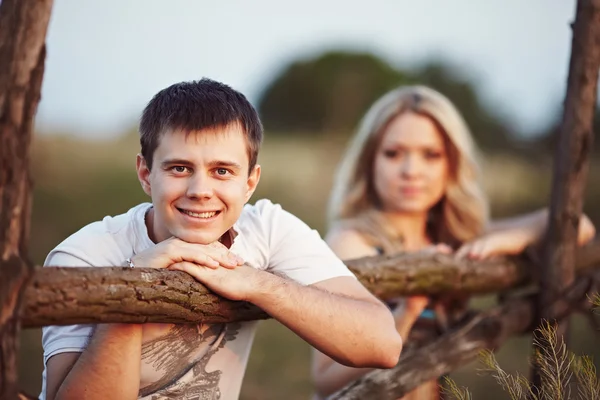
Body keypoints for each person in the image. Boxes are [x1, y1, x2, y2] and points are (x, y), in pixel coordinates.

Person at [40, 78, 403, 400]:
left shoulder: (267, 228)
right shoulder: (86, 254)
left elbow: (382, 344)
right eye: (180, 168)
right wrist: (134, 288)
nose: (200, 191)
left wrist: (258, 283)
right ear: (146, 174)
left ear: (250, 182)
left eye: (222, 171)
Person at [311, 85, 596, 400]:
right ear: (369, 162)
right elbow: (325, 379)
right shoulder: (352, 243)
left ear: (452, 165)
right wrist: (405, 313)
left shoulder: (451, 238)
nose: (411, 171)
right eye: (393, 154)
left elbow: (578, 226)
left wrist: (510, 239)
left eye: (431, 155)